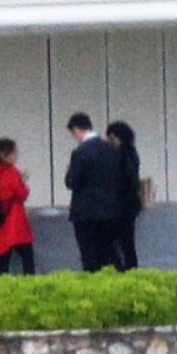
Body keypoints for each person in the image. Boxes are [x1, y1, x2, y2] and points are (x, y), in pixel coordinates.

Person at [65, 113, 126, 272]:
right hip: (110, 211)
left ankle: (93, 283)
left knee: (89, 256)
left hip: (85, 213)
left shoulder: (80, 152)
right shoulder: (112, 149)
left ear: (76, 130)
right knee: (110, 252)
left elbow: (71, 182)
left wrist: (69, 171)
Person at [0, 138, 35, 275]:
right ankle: (31, 283)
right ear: (4, 155)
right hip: (14, 220)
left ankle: (2, 285)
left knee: (3, 260)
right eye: (14, 152)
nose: (16, 155)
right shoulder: (11, 172)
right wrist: (23, 181)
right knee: (27, 257)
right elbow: (22, 193)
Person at [107, 121, 142, 271]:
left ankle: (122, 268)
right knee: (127, 242)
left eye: (112, 139)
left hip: (121, 205)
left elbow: (128, 179)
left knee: (118, 241)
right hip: (128, 205)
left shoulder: (121, 155)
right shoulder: (131, 153)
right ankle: (129, 268)